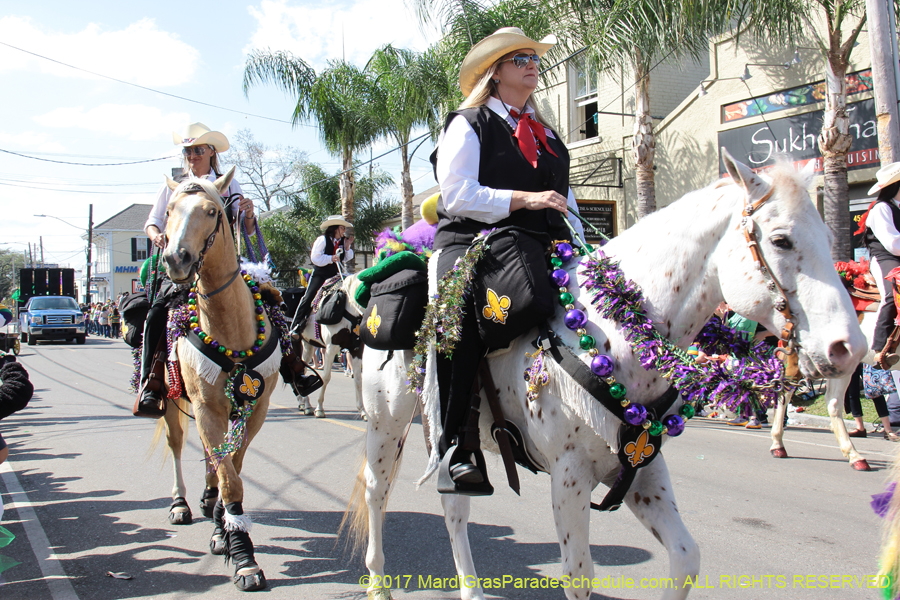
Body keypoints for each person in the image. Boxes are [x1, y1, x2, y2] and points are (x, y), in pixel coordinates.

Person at [430, 27, 584, 491]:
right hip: (474, 241)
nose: (531, 63)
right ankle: (457, 445)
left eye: (533, 57)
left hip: (544, 242)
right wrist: (526, 199)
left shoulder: (548, 134)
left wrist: (581, 244)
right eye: (519, 58)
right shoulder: (470, 121)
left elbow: (567, 202)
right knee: (456, 313)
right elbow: (456, 195)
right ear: (494, 72)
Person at [135, 123, 257, 417]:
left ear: (211, 153)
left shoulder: (228, 185)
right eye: (187, 150)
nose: (191, 155)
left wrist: (250, 213)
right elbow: (152, 222)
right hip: (184, 264)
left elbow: (247, 230)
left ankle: (291, 368)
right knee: (156, 313)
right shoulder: (175, 186)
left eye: (197, 150)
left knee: (270, 304)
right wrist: (158, 236)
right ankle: (151, 381)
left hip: (225, 268)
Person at [859, 162, 900, 368]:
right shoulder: (881, 208)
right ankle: (880, 348)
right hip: (886, 259)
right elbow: (893, 244)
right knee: (892, 295)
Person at [289, 215, 354, 335]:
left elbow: (345, 258)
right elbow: (315, 258)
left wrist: (347, 246)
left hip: (334, 275)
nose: (344, 231)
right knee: (309, 296)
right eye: (342, 228)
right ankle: (296, 325)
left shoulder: (342, 241)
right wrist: (331, 258)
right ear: (335, 228)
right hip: (320, 274)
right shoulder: (322, 240)